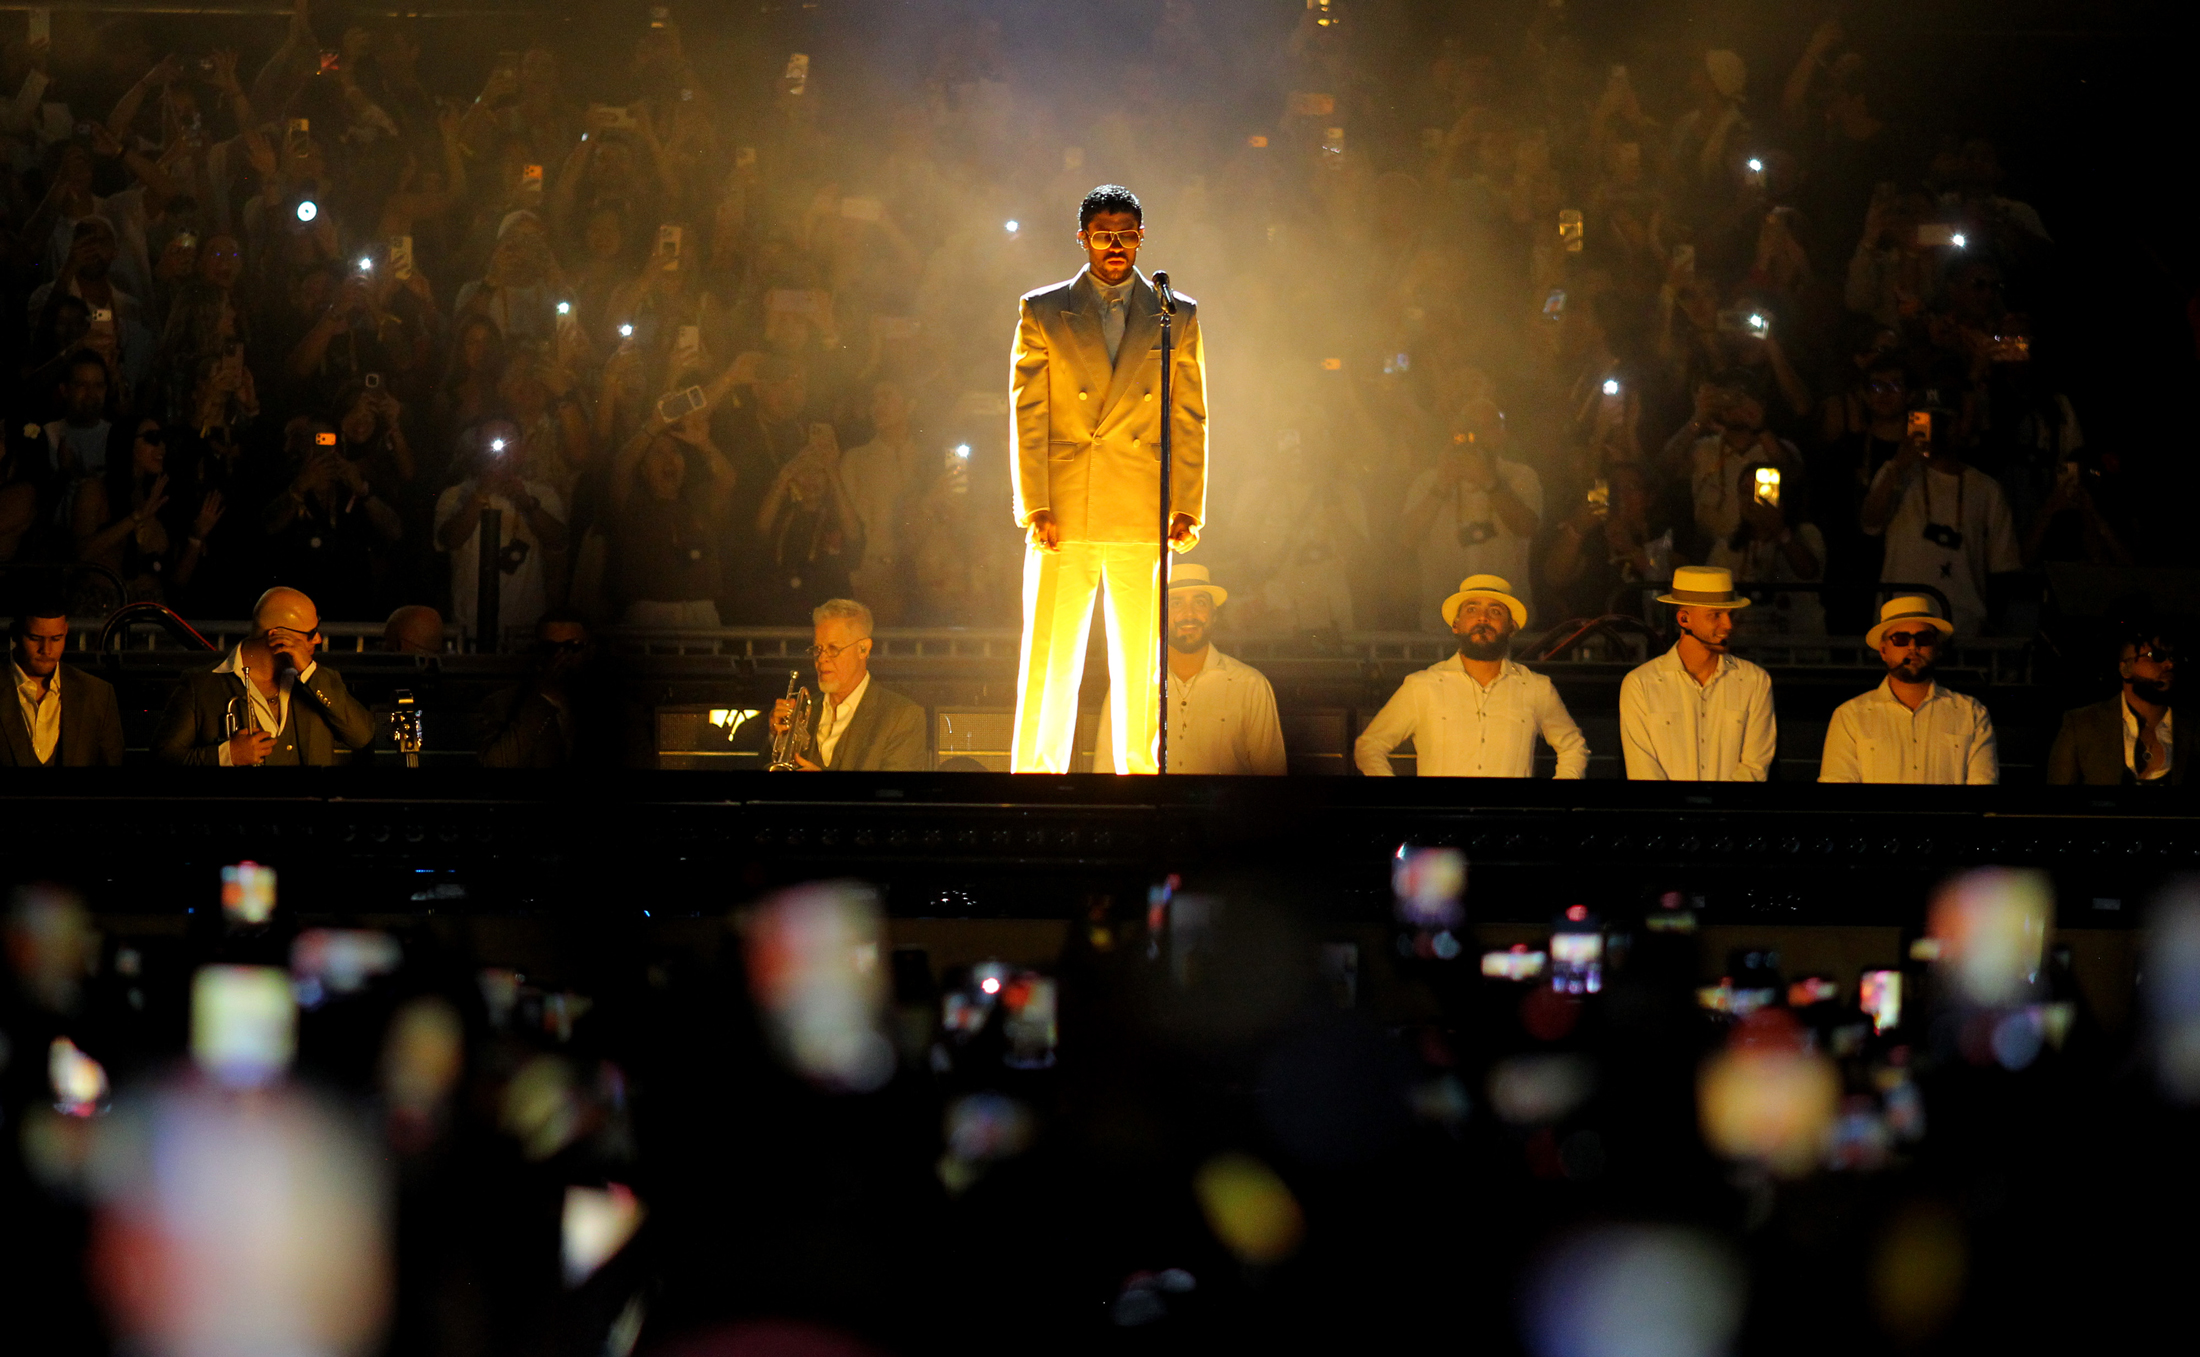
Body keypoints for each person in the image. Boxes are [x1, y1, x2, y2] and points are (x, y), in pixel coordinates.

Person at [1009, 184, 1208, 774]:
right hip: (1065, 504)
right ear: (1084, 238)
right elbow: (1029, 413)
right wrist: (1035, 503)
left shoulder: (1177, 313)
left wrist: (1187, 503)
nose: (1115, 245)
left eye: (1125, 233)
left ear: (1142, 237)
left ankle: (1141, 784)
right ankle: (1034, 785)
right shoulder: (1042, 309)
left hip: (1141, 501)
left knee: (1141, 663)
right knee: (1050, 654)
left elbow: (1189, 414)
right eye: (1103, 233)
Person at [1354, 574, 1588, 778]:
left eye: (1494, 611)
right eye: (1472, 609)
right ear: (1456, 624)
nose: (1483, 618)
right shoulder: (1423, 685)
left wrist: (1556, 798)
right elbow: (1369, 745)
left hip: (1510, 823)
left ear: (1511, 627)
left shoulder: (1535, 687)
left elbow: (1573, 747)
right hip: (1441, 823)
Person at [151, 586, 377, 766]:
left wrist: (309, 673)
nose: (318, 639)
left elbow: (362, 735)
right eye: (310, 633)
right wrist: (225, 755)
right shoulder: (201, 684)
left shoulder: (320, 679)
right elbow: (162, 759)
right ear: (277, 636)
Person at [1096, 564, 1286, 775]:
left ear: (1214, 613)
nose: (1189, 613)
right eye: (1176, 603)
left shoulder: (1250, 685)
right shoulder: (1130, 686)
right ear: (1160, 614)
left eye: (1200, 602)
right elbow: (1105, 769)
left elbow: (1272, 777)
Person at [1860, 406, 2019, 637]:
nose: (1939, 431)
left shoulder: (1987, 489)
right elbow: (1869, 524)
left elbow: (2004, 566)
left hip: (1964, 627)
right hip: (1900, 626)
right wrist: (1897, 466)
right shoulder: (1896, 475)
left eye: (1945, 422)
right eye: (1930, 422)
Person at [1618, 566, 1775, 781]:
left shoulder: (1755, 680)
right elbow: (1643, 773)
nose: (1728, 624)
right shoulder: (1640, 684)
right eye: (1715, 615)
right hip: (1669, 814)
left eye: (1731, 614)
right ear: (1684, 619)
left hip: (1726, 813)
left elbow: (1754, 767)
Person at [1819, 595, 1996, 784]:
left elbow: (1983, 790)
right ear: (1883, 650)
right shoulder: (1850, 716)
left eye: (1924, 637)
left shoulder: (1971, 713)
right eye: (1901, 639)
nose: (1913, 646)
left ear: (1936, 647)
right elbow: (1837, 794)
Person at [1401, 399, 1541, 634]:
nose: (1476, 436)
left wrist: (1490, 481)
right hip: (1443, 624)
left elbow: (1527, 527)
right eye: (1470, 428)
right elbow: (1406, 539)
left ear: (1502, 434)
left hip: (1507, 625)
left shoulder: (1520, 476)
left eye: (1487, 428)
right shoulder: (1428, 480)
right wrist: (1441, 487)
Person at [434, 419, 567, 648]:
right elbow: (449, 540)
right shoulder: (455, 495)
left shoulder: (542, 494)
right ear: (478, 448)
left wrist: (527, 503)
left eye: (508, 437)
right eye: (491, 439)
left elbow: (559, 540)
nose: (501, 447)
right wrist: (480, 493)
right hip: (470, 629)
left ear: (522, 448)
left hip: (525, 632)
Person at [766, 598, 926, 772]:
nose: (821, 658)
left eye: (833, 649)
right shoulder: (803, 711)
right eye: (817, 649)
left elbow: (897, 794)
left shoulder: (902, 716)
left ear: (863, 649)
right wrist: (776, 737)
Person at [2047, 629, 2178, 787]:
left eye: (2172, 657)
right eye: (2155, 656)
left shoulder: (2192, 726)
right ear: (2125, 669)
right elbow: (2058, 802)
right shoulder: (2083, 724)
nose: (2169, 664)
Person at [0, 601, 125, 767]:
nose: (46, 650)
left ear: (66, 632)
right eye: (35, 638)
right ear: (14, 633)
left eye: (56, 639)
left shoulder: (97, 694)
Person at [479, 612, 610, 768]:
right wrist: (544, 698)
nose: (560, 657)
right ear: (537, 652)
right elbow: (494, 765)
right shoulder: (503, 704)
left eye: (572, 646)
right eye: (550, 648)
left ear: (590, 651)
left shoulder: (616, 708)